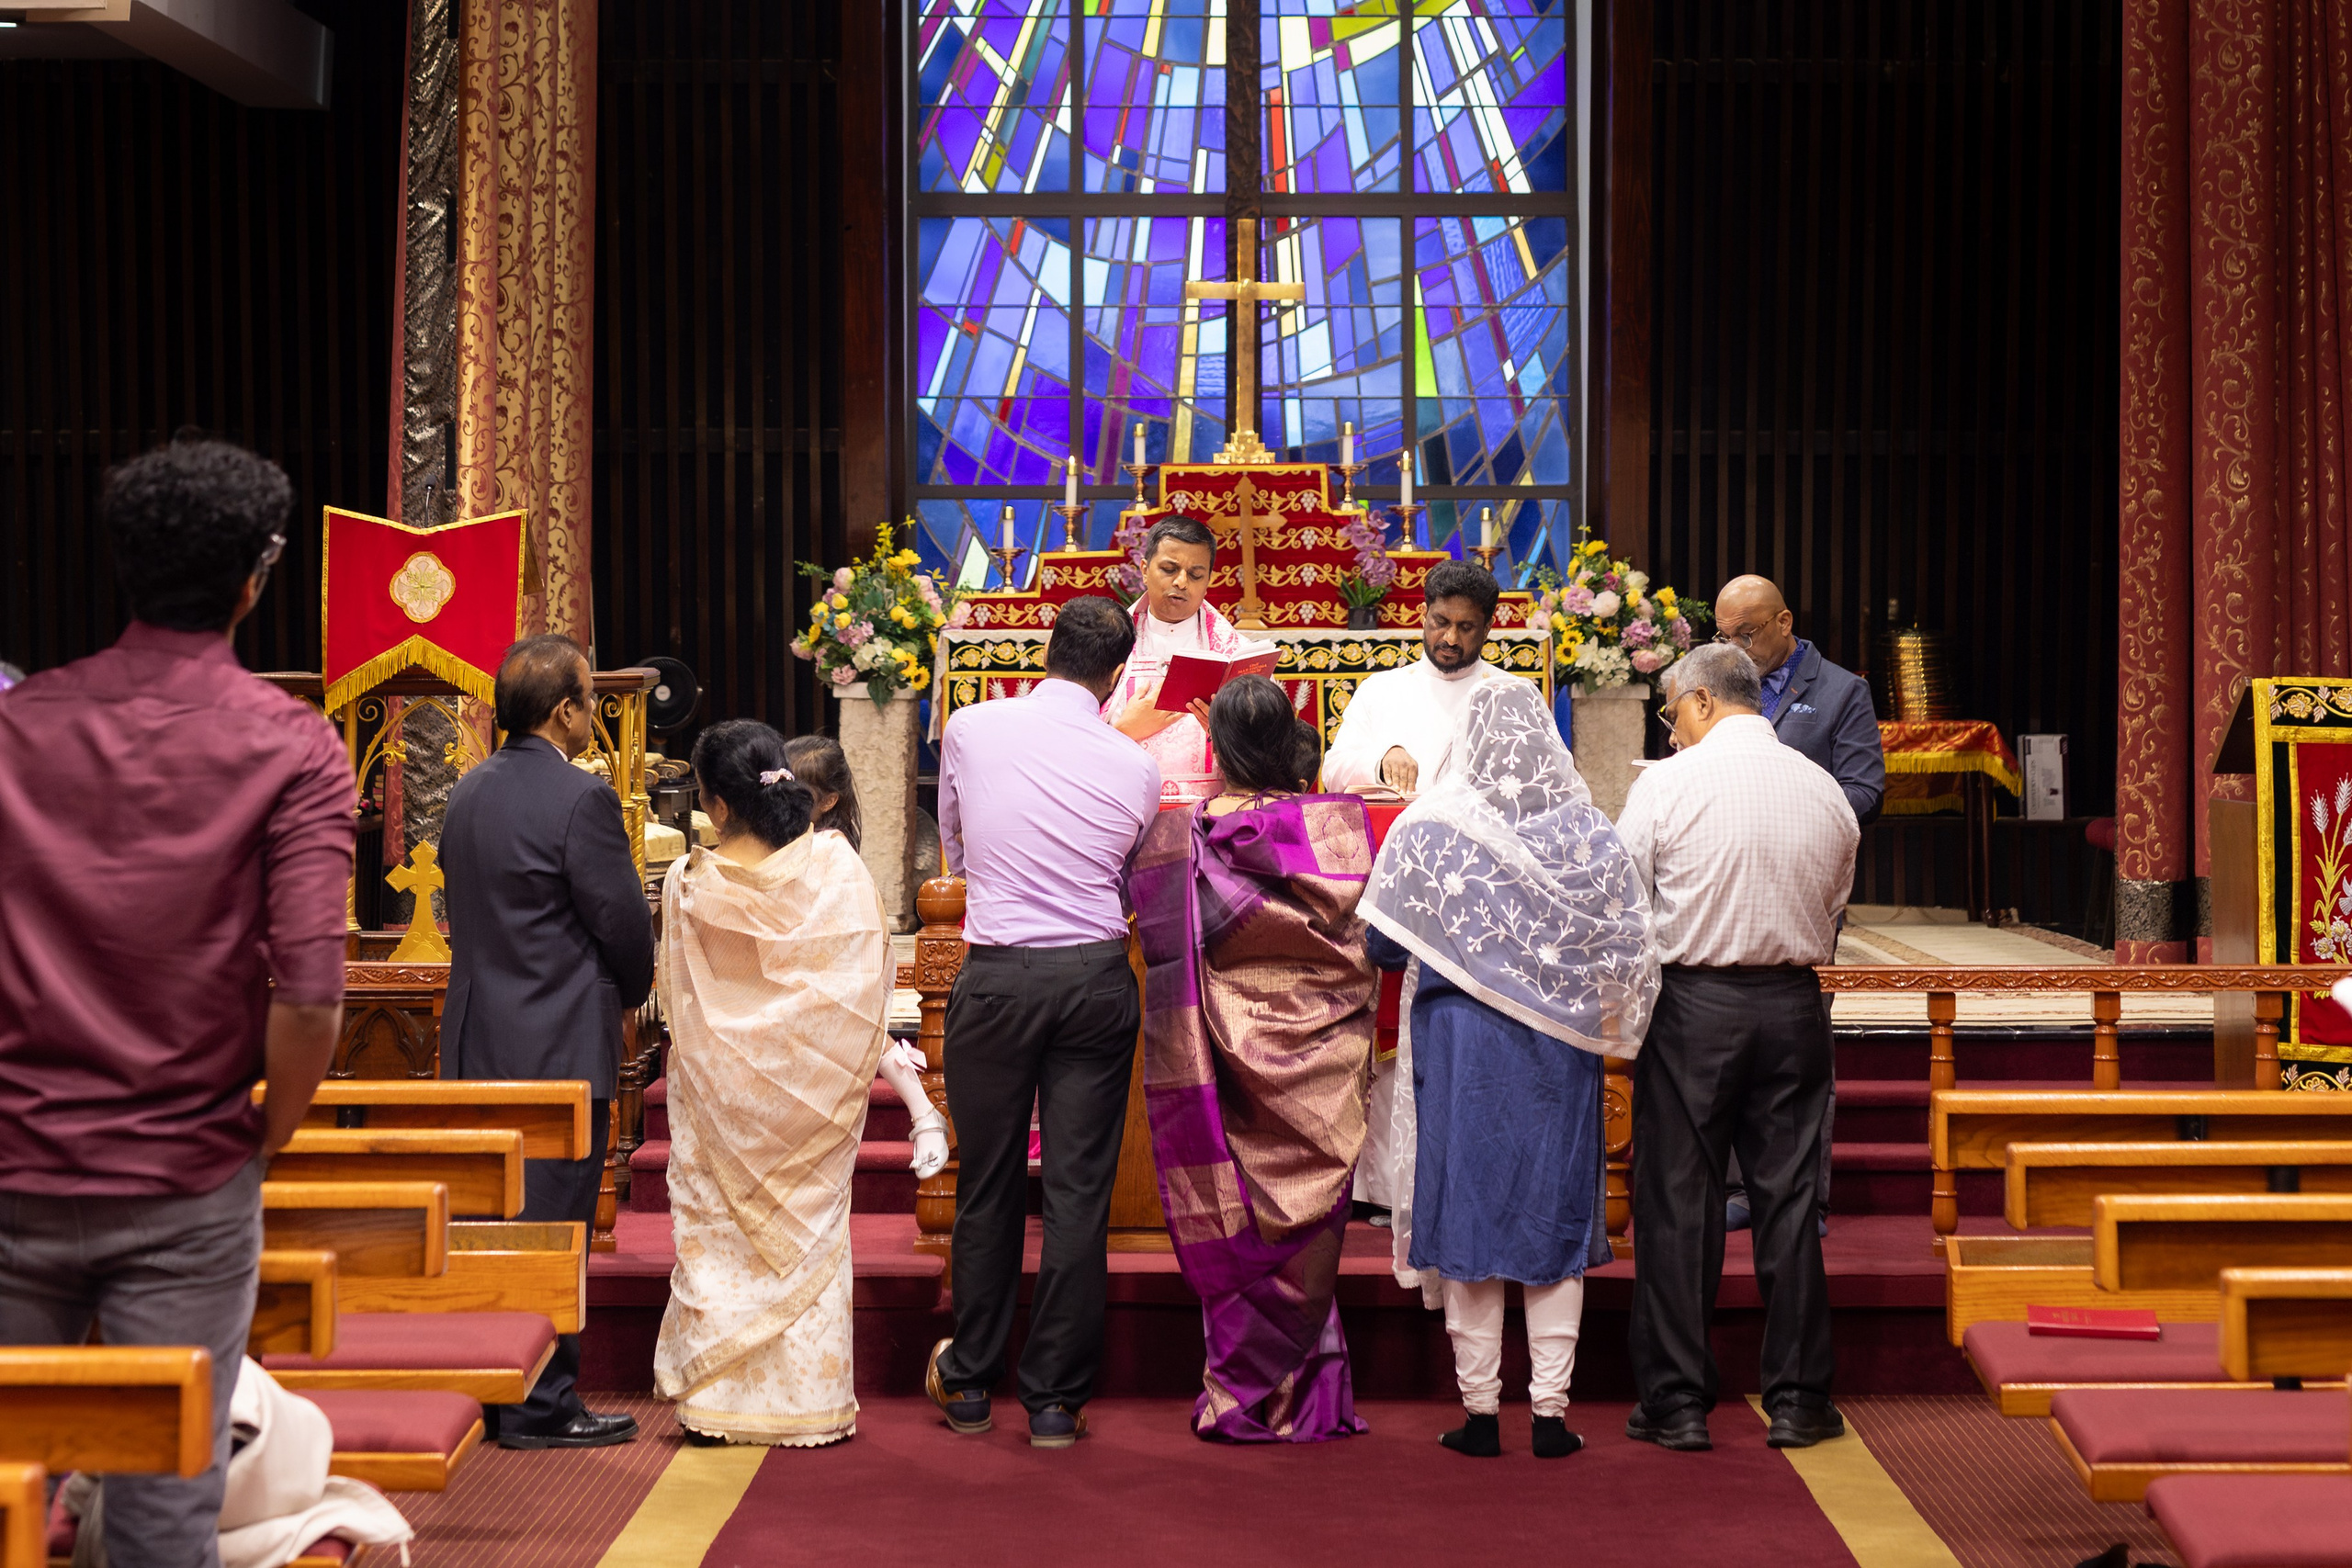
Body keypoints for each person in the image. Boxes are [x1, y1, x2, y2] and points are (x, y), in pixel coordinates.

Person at [0, 435, 355, 1568]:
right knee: (165, 1506)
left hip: (12, 1161)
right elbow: (307, 996)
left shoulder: (16, 727)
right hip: (185, 1175)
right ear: (259, 576)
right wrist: (265, 1131)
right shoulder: (293, 747)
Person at [1361, 677, 1658, 1460]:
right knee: (1551, 1211)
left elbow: (1383, 945)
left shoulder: (1429, 829)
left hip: (1462, 1045)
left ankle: (1482, 1413)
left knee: (1469, 1211)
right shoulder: (1590, 834)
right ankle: (1553, 1416)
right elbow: (1625, 941)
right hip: (1558, 1045)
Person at [654, 721, 946, 1446]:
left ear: (716, 806)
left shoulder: (688, 881)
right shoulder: (838, 870)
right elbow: (864, 997)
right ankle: (805, 1401)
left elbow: (677, 998)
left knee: (722, 1238)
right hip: (811, 1099)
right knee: (808, 1237)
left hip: (723, 1095)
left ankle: (718, 1405)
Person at [926, 595, 1160, 1450]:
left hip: (996, 977)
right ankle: (1055, 1398)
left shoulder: (973, 729)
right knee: (1077, 1191)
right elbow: (1129, 874)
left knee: (988, 1179)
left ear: (1045, 652)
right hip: (1095, 977)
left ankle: (971, 1379)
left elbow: (953, 843)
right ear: (1115, 677)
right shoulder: (1134, 765)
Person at [1614, 644, 1859, 1453]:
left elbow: (1625, 901)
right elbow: (1832, 909)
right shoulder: (1824, 789)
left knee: (1680, 1203)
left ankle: (1678, 1402)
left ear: (1702, 702)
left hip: (1695, 1006)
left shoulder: (1667, 785)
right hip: (1793, 1003)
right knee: (1790, 1203)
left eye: (1671, 712)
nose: (1672, 730)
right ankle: (1797, 1399)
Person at [1126, 675, 1377, 1443]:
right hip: (1322, 1063)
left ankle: (1238, 1394)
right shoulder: (1335, 830)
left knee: (1241, 1216)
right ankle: (1311, 1398)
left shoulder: (1181, 838)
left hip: (1220, 1068)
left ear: (1214, 742)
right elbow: (1359, 945)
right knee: (1304, 1223)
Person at [440, 634, 656, 1450]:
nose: (592, 713)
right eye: (588, 699)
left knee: (492, 1226)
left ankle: (496, 1388)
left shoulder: (466, 791)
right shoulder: (580, 799)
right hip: (558, 1046)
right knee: (555, 1228)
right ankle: (542, 1405)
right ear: (563, 709)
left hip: (474, 1042)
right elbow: (624, 923)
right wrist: (632, 995)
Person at [1320, 560, 1511, 1215]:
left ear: (1490, 628)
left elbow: (1540, 781)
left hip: (1473, 895)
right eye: (1439, 622)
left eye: (1465, 627)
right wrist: (1382, 758)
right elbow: (1334, 765)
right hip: (1391, 894)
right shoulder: (1383, 690)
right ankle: (1381, 1188)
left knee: (1455, 1037)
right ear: (1419, 616)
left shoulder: (1510, 696)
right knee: (1389, 1045)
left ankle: (1450, 1181)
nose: (1449, 638)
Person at [1710, 575, 1881, 1235]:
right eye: (1725, 635)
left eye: (1746, 633)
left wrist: (1794, 804)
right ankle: (1736, 1186)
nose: (1734, 647)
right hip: (1726, 885)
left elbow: (1866, 790)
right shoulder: (1717, 685)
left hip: (1802, 891)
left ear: (1784, 620)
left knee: (1802, 1048)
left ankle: (1802, 1196)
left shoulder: (1841, 691)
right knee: (1727, 1042)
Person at [1106, 516, 1244, 783]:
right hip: (1120, 810)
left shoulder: (1236, 655)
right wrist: (1122, 731)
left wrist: (1226, 737)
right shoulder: (1106, 645)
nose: (1182, 582)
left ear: (1208, 580)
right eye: (1169, 569)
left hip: (1209, 819)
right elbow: (1067, 737)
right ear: (1145, 569)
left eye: (1195, 575)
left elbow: (1265, 752)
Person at [782, 732, 862, 848]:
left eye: (795, 793)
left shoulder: (833, 848)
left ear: (828, 801)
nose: (782, 797)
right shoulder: (777, 836)